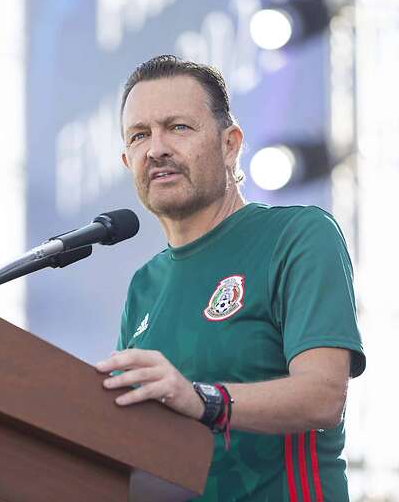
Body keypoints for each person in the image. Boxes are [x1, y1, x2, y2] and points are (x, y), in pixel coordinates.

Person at [95, 55, 366, 502]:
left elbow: (323, 397)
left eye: (178, 127)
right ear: (127, 161)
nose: (156, 148)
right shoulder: (144, 286)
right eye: (139, 135)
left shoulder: (297, 235)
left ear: (230, 144)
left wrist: (203, 400)